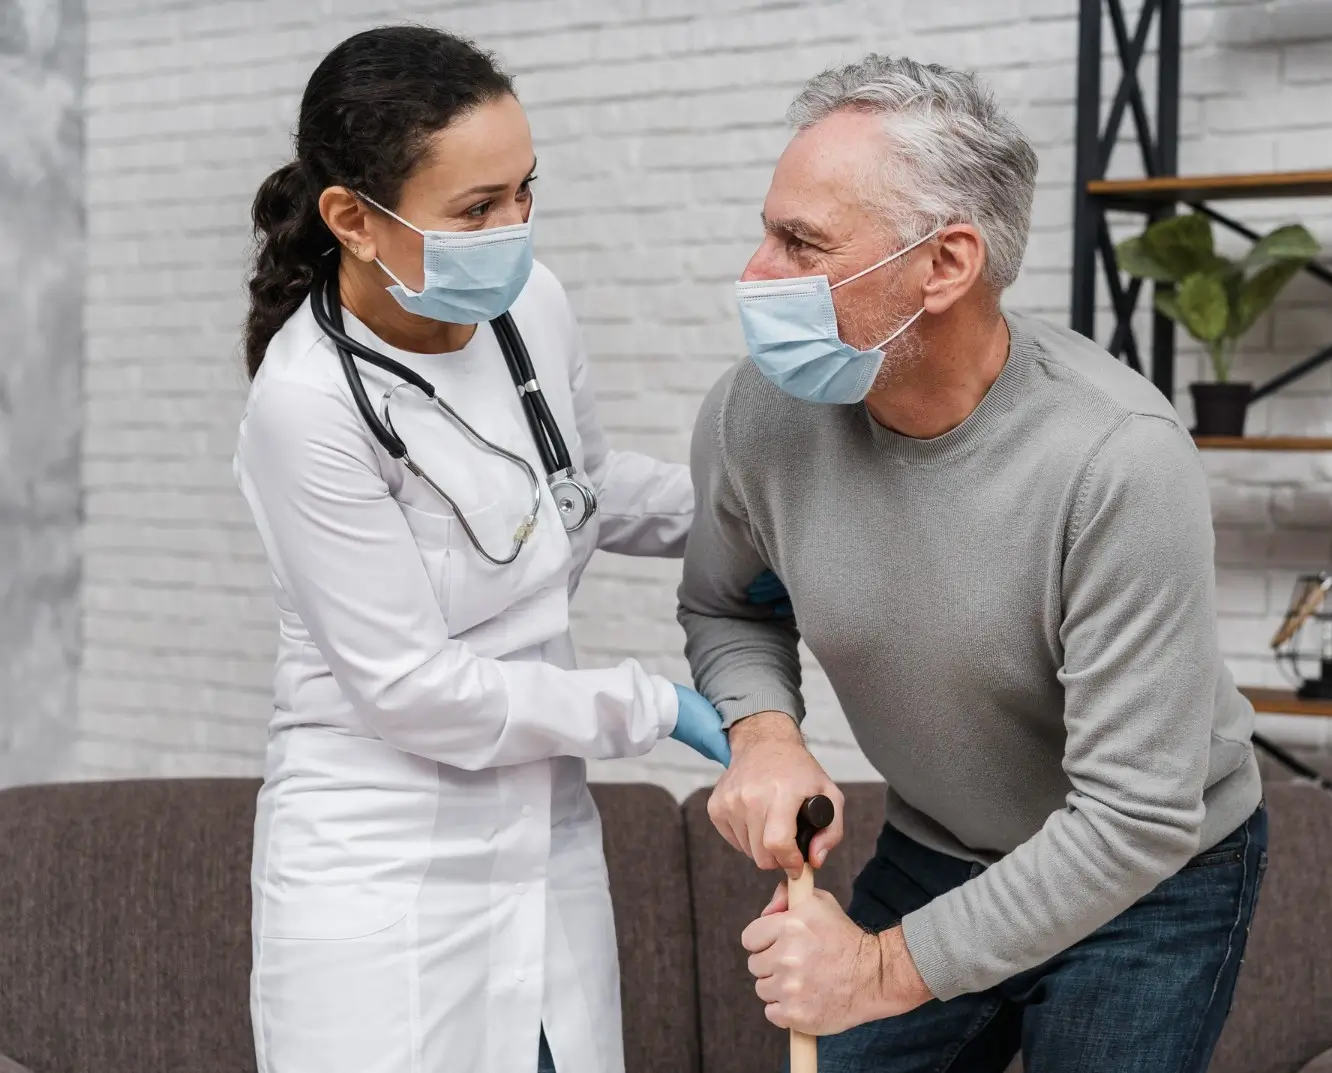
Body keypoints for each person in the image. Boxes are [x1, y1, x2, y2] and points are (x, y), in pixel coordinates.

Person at [678, 54, 1267, 1073]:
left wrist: (873, 971)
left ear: (945, 265)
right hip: (939, 846)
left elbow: (1133, 815)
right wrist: (764, 733)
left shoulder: (1116, 456)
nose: (754, 273)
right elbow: (730, 606)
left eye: (799, 242)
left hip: (1151, 876)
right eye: (767, 229)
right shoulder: (755, 414)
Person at [233, 26, 780, 1073]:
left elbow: (576, 485)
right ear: (352, 218)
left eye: (525, 190)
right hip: (380, 862)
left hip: (543, 835)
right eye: (478, 210)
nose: (514, 228)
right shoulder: (305, 408)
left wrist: (761, 522)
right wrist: (654, 704)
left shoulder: (531, 303)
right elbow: (412, 688)